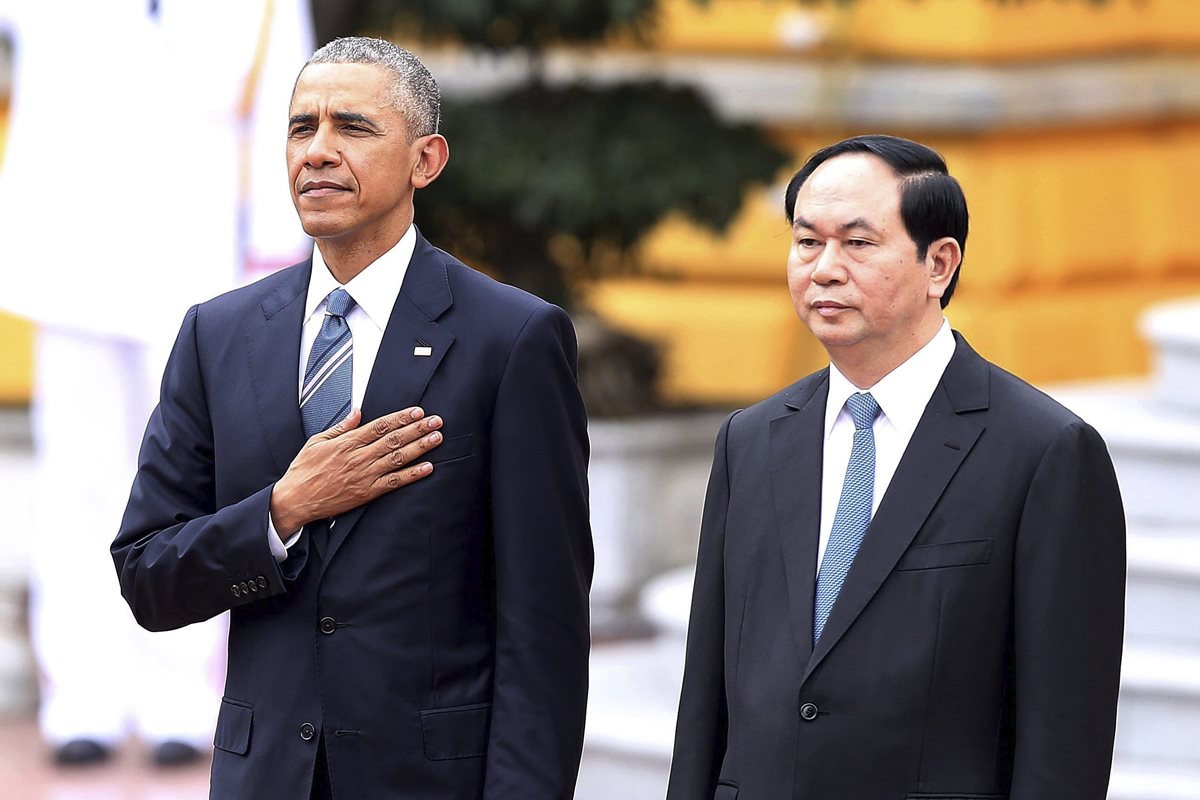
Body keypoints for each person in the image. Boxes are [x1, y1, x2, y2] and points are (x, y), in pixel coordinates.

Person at [112, 36, 593, 799]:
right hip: (263, 777)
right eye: (302, 128)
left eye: (353, 128)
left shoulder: (512, 338)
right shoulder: (217, 334)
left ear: (425, 160)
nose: (318, 152)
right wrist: (281, 509)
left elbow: (545, 630)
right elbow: (148, 577)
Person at [666, 134, 1126, 799]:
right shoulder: (752, 440)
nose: (824, 269)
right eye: (806, 242)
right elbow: (706, 698)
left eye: (857, 243)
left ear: (939, 264)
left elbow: (1065, 739)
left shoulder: (1044, 452)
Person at [0, 0, 313, 766]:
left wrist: (276, 258)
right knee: (78, 477)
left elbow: (293, 103)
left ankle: (182, 697)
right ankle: (83, 699)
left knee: (196, 482)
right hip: (69, 255)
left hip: (195, 260)